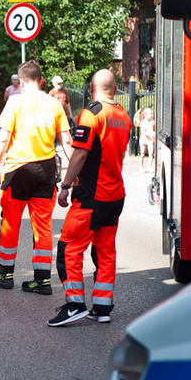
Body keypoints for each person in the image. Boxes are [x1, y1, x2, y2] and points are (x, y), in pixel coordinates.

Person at [48, 69, 131, 326]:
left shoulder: (91, 113)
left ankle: (74, 305)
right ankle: (102, 308)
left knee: (68, 248)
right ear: (116, 89)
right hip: (115, 195)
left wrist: (64, 185)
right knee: (105, 250)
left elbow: (80, 154)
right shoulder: (124, 116)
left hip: (92, 196)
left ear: (92, 87)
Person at [0, 60, 69, 296]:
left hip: (17, 172)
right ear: (42, 80)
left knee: (10, 223)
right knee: (42, 228)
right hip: (45, 171)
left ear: (21, 82)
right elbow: (67, 142)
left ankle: (4, 275)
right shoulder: (54, 103)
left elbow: (3, 138)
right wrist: (73, 174)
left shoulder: (15, 101)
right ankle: (42, 281)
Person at [136, 107, 155, 172]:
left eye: (152, 113)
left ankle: (150, 166)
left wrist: (154, 133)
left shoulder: (153, 122)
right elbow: (143, 132)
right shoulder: (143, 123)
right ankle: (141, 167)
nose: (152, 115)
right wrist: (150, 134)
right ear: (145, 115)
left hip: (150, 140)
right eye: (150, 114)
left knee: (151, 153)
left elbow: (154, 129)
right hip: (144, 140)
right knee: (142, 154)